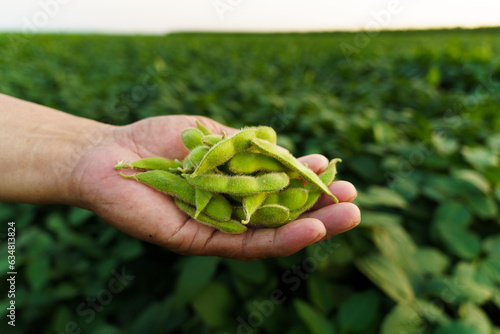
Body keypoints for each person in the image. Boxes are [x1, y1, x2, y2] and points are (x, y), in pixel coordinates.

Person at [0, 93, 360, 261]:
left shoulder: (251, 156)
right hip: (197, 174)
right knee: (232, 183)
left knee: (261, 182)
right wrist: (90, 150)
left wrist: (90, 148)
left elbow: (255, 166)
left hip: (210, 176)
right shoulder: (203, 157)